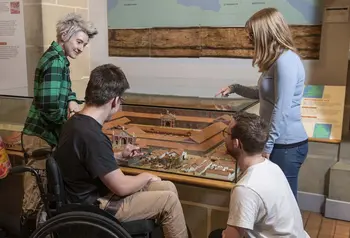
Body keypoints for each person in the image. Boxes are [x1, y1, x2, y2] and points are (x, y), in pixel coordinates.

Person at [54, 64, 188, 238]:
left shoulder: (76, 123)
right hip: (96, 206)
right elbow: (121, 187)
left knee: (167, 186)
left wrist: (118, 156)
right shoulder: (93, 135)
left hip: (84, 198)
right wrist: (146, 176)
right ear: (115, 101)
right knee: (169, 202)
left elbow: (87, 160)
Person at [216, 8, 308, 200]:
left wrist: (267, 147)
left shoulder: (286, 61)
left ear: (266, 33)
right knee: (272, 199)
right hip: (277, 142)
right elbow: (262, 94)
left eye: (252, 35)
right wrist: (235, 87)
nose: (249, 39)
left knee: (285, 202)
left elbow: (281, 109)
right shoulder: (275, 61)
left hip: (286, 145)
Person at [20, 12, 98, 225]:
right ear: (65, 35)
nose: (81, 48)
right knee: (35, 200)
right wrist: (71, 126)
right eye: (79, 42)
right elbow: (51, 108)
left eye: (84, 44)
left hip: (45, 136)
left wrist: (72, 101)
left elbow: (66, 91)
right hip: (39, 137)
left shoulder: (60, 60)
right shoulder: (55, 61)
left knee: (44, 197)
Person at [209, 112, 309, 238]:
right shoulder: (272, 167)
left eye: (227, 133)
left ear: (236, 143)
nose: (225, 137)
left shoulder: (245, 189)